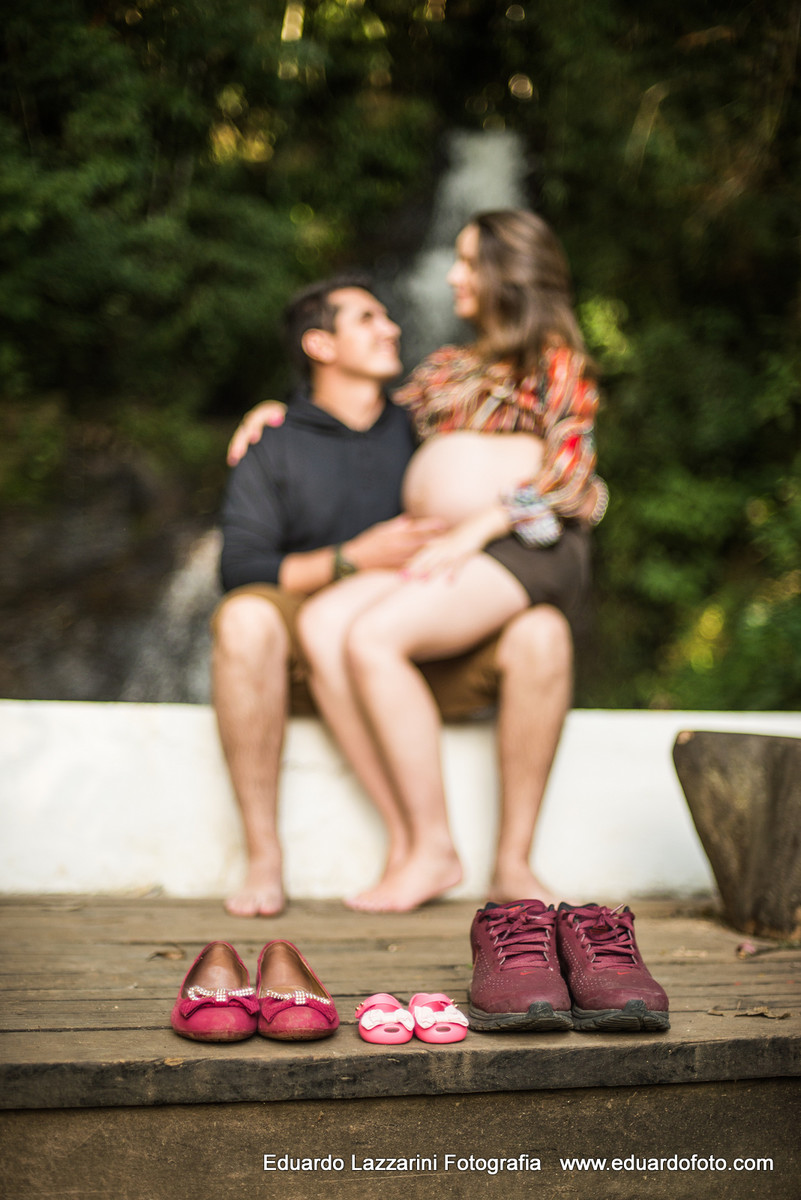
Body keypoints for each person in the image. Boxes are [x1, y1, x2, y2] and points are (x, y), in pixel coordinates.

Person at [217, 229, 587, 915]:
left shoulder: (553, 362)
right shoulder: (443, 370)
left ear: (504, 274)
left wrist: (479, 523)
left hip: (515, 544)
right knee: (329, 619)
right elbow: (357, 414)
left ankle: (438, 847)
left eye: (468, 262)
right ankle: (410, 841)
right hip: (448, 553)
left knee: (372, 636)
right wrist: (277, 415)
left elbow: (573, 476)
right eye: (368, 318)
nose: (452, 276)